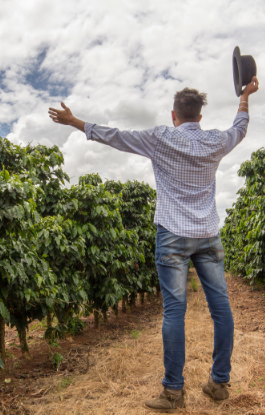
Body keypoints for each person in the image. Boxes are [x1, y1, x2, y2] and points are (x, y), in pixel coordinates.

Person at [48, 76, 259, 412]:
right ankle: (219, 383)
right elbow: (241, 127)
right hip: (207, 233)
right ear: (199, 117)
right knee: (221, 309)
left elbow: (116, 137)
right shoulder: (216, 141)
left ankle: (173, 393)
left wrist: (75, 122)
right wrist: (245, 96)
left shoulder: (160, 138)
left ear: (174, 115)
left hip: (172, 234)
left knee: (174, 312)